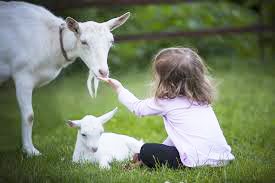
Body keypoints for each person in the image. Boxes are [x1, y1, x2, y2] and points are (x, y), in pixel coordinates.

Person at [99, 47, 234, 168]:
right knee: (154, 149)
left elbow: (138, 108)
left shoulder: (166, 101)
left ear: (166, 80)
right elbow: (180, 137)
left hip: (196, 160)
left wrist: (119, 88)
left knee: (146, 150)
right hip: (222, 158)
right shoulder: (202, 101)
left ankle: (143, 159)